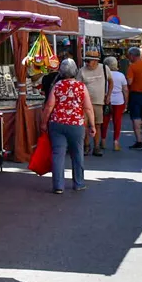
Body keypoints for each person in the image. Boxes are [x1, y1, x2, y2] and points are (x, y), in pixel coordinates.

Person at [41, 58, 94, 193]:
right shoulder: (81, 87)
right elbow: (88, 108)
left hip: (57, 123)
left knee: (58, 154)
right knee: (77, 153)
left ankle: (58, 185)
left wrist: (43, 122)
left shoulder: (57, 86)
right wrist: (92, 125)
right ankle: (79, 183)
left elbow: (49, 106)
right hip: (76, 124)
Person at [78, 52, 109, 157]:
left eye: (89, 61)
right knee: (85, 125)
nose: (86, 63)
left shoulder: (104, 68)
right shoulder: (81, 71)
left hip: (99, 102)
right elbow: (78, 85)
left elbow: (111, 81)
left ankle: (96, 147)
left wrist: (108, 95)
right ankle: (86, 146)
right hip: (85, 103)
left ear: (96, 61)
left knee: (97, 125)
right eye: (85, 61)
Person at [103, 56, 128, 152]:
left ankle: (103, 140)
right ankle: (116, 141)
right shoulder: (121, 75)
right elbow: (125, 90)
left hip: (106, 100)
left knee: (104, 121)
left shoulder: (104, 74)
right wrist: (126, 103)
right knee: (117, 122)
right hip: (119, 101)